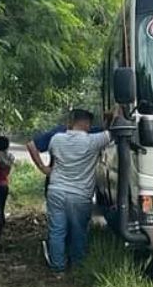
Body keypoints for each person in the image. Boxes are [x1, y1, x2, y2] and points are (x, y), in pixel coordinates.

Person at [44, 109, 113, 273]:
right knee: (78, 232)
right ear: (87, 123)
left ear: (71, 121)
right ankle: (77, 267)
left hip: (56, 191)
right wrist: (112, 115)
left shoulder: (56, 139)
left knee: (57, 231)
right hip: (79, 195)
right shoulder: (93, 141)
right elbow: (112, 133)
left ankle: (58, 269)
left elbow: (54, 159)